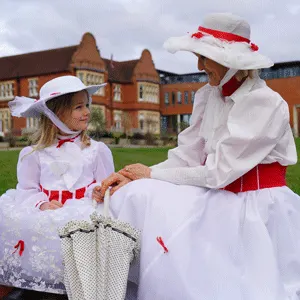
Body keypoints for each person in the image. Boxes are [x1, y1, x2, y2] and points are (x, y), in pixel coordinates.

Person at [96, 13, 300, 300]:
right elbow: (187, 155)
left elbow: (218, 173)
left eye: (204, 57)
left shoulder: (263, 103)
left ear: (231, 62)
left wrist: (151, 174)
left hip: (253, 206)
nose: (199, 65)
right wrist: (131, 176)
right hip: (217, 196)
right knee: (136, 194)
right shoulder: (209, 94)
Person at [0, 76, 114, 295]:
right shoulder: (34, 154)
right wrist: (42, 204)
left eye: (87, 105)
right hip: (48, 214)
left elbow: (106, 183)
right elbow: (27, 190)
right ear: (56, 114)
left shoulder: (96, 150)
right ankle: (42, 290)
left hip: (84, 209)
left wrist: (98, 191)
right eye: (78, 107)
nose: (87, 112)